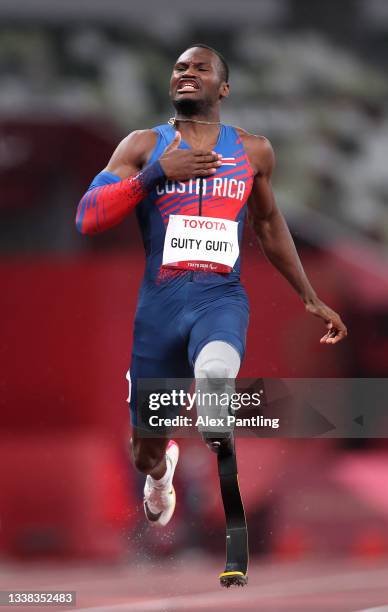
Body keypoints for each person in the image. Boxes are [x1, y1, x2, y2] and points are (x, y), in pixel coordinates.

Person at [75, 44, 347, 531]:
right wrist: (156, 175)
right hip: (160, 307)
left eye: (200, 68)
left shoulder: (253, 150)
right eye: (180, 67)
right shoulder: (142, 146)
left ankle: (214, 404)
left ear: (223, 88)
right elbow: (88, 217)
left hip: (219, 297)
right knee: (144, 452)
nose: (186, 73)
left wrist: (308, 294)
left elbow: (267, 223)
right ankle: (162, 475)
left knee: (215, 371)